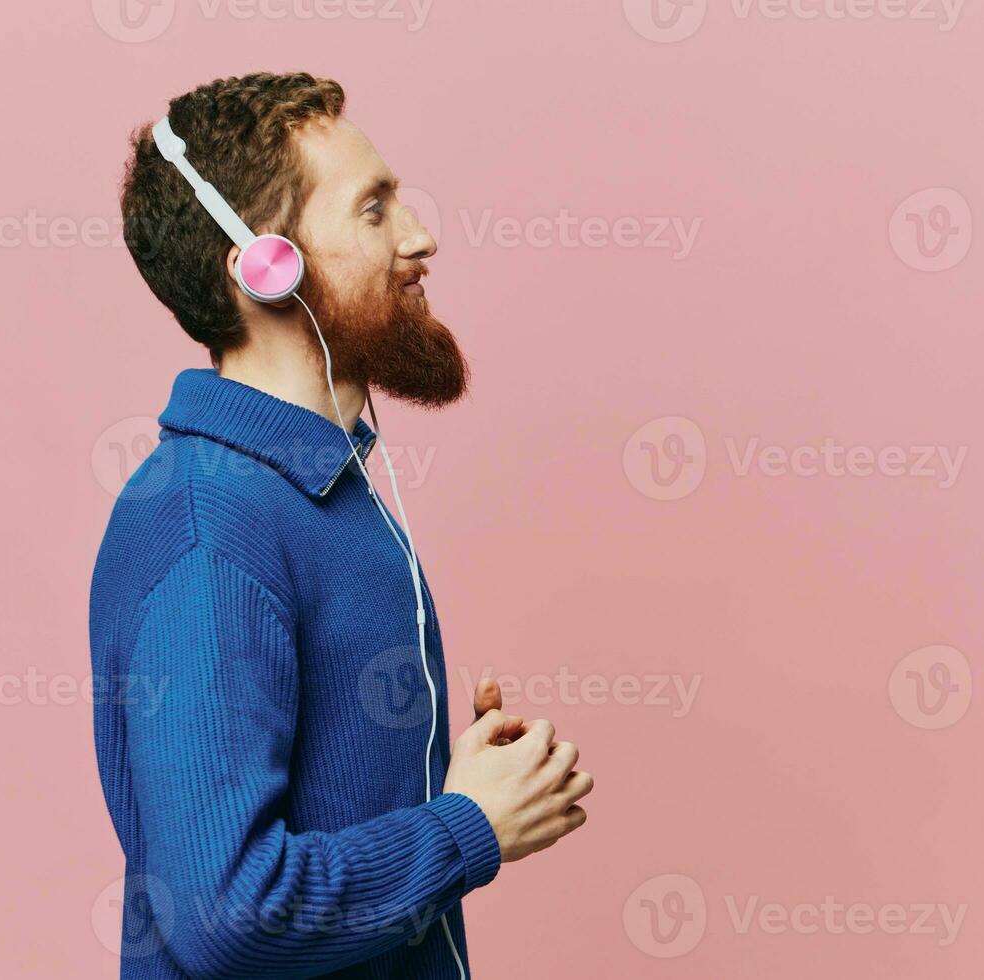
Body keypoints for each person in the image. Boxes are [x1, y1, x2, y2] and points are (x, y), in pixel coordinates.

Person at [89, 72, 593, 980]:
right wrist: (467, 827)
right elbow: (227, 913)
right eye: (373, 211)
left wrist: (447, 779)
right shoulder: (210, 526)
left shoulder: (322, 486)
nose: (419, 237)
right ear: (263, 267)